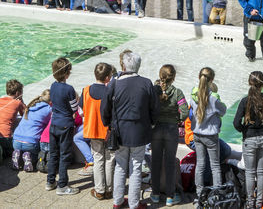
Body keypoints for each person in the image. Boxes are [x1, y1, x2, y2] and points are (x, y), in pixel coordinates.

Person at [101, 51, 158, 209]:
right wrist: (152, 124)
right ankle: (134, 203)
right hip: (139, 131)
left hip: (119, 131)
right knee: (136, 166)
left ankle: (118, 201)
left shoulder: (114, 82)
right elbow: (154, 109)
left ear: (124, 66)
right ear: (138, 66)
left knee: (120, 166)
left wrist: (108, 124)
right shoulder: (146, 83)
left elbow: (105, 107)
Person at [233, 71, 263, 208]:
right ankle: (259, 203)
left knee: (250, 172)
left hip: (249, 139)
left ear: (250, 82)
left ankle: (250, 203)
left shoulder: (245, 101)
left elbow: (236, 122)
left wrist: (244, 130)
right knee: (261, 172)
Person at [150, 64, 188, 206]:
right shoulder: (178, 92)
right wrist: (177, 120)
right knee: (170, 162)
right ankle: (170, 197)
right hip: (171, 129)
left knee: (155, 161)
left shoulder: (154, 91)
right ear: (174, 78)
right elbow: (184, 112)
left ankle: (154, 194)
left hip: (156, 129)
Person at [188, 67, 227, 201]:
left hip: (197, 134)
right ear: (212, 80)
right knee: (215, 166)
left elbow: (191, 112)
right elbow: (223, 111)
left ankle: (199, 194)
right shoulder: (213, 98)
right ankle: (217, 195)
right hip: (210, 135)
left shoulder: (193, 95)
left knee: (200, 164)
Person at [80, 63, 115, 200]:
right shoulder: (110, 92)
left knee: (98, 158)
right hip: (107, 131)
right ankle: (109, 189)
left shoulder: (86, 90)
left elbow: (83, 108)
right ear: (107, 78)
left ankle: (99, 190)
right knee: (110, 159)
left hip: (92, 129)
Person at [46, 57, 80, 196]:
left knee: (53, 154)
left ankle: (50, 181)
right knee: (65, 155)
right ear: (67, 73)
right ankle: (62, 185)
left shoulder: (52, 86)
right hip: (65, 125)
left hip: (54, 124)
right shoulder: (69, 89)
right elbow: (74, 108)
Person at [12, 89, 52, 172]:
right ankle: (30, 157)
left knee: (22, 147)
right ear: (51, 101)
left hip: (16, 140)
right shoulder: (49, 109)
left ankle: (17, 155)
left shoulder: (31, 106)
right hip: (31, 142)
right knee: (37, 153)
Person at [0, 79, 25, 163]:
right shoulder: (18, 103)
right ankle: (4, 153)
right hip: (5, 136)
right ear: (18, 93)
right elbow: (25, 114)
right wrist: (21, 100)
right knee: (12, 151)